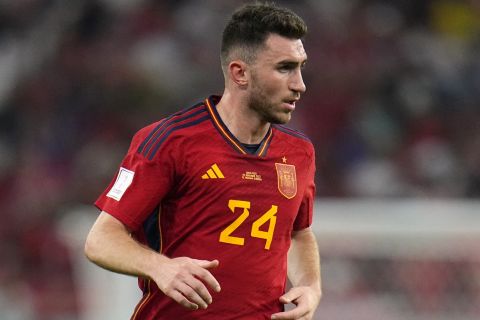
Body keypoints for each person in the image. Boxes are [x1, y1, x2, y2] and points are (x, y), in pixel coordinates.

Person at [84, 2, 321, 319]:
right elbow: (101, 239)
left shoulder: (299, 152)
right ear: (239, 73)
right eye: (284, 68)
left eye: (300, 66)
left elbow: (298, 233)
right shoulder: (170, 141)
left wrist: (310, 285)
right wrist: (161, 267)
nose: (299, 84)